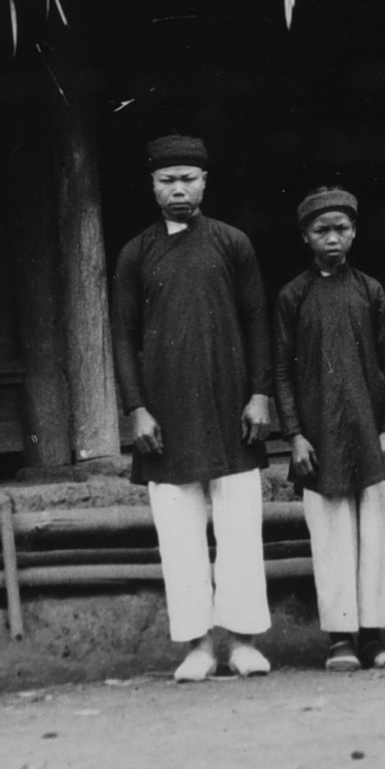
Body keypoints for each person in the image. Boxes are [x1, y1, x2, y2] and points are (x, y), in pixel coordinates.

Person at [109, 135, 277, 683]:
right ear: (151, 186)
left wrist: (259, 393)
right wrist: (136, 408)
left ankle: (243, 641)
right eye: (166, 180)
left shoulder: (233, 244)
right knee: (179, 535)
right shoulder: (136, 254)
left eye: (188, 178)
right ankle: (199, 645)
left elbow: (257, 321)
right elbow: (123, 334)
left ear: (205, 182)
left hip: (231, 405)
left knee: (239, 528)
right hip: (167, 412)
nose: (178, 189)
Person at [272, 187, 385, 672]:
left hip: (370, 434)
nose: (333, 238)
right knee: (331, 538)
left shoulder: (370, 290)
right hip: (319, 436)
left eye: (341, 229)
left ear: (354, 232)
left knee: (375, 534)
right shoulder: (293, 295)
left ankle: (374, 636)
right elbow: (282, 371)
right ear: (306, 236)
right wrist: (294, 436)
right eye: (322, 230)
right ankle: (341, 639)